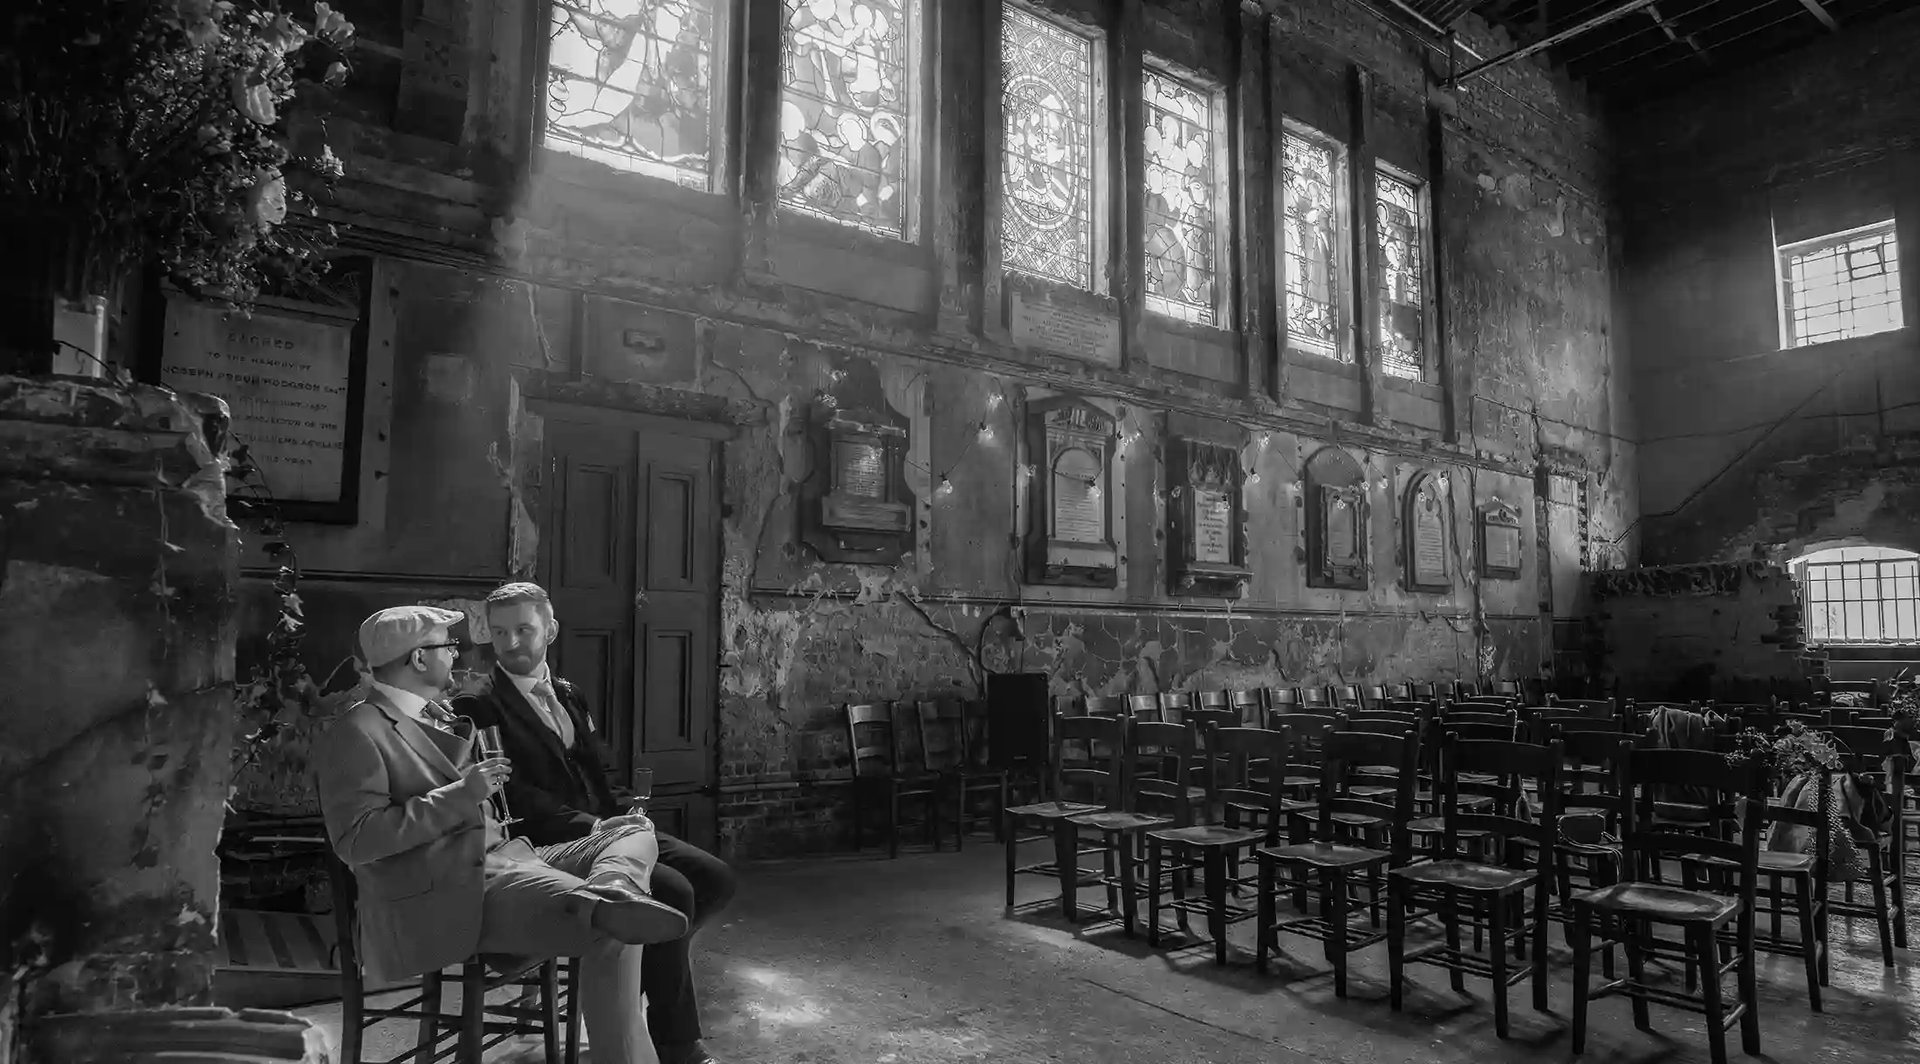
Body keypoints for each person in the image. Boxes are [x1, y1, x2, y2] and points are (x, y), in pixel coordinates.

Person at [314, 605, 689, 1064]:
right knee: (608, 927)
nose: (456, 655)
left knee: (632, 832)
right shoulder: (356, 731)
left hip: (507, 859)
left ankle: (614, 883)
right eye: (447, 647)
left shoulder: (440, 715)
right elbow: (356, 840)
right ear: (418, 660)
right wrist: (461, 794)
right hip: (452, 889)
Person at [454, 582, 737, 1064]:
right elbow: (513, 794)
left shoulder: (568, 693)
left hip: (606, 827)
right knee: (673, 891)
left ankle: (639, 970)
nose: (511, 643)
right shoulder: (478, 704)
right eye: (499, 632)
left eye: (524, 629)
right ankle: (676, 1044)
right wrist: (593, 828)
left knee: (715, 878)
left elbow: (598, 769)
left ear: (551, 630)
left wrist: (626, 812)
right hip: (544, 841)